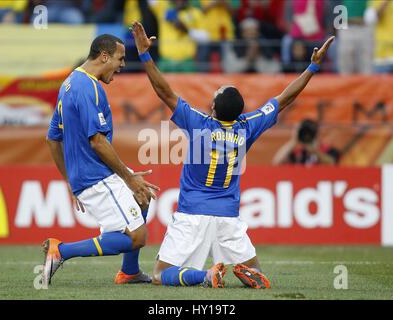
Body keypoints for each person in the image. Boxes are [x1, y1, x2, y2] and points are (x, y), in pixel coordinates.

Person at [131, 21, 334, 288]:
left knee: (159, 275)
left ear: (213, 106)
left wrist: (145, 54)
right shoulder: (247, 126)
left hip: (192, 214)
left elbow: (163, 91)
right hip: (229, 217)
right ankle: (243, 269)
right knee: (255, 272)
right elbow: (285, 98)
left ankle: (205, 275)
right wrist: (312, 67)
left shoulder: (198, 122)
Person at [44, 34, 159, 286]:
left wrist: (69, 181)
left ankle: (129, 272)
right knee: (137, 237)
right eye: (120, 58)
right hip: (96, 175)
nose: (122, 65)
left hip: (87, 174)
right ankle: (60, 251)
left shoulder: (69, 83)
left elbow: (53, 138)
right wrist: (127, 178)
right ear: (104, 56)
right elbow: (97, 141)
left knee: (142, 196)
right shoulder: (89, 87)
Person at [272, 119, 340, 165]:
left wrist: (314, 151)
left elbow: (333, 163)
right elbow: (277, 162)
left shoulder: (328, 150)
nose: (307, 136)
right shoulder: (298, 153)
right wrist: (294, 140)